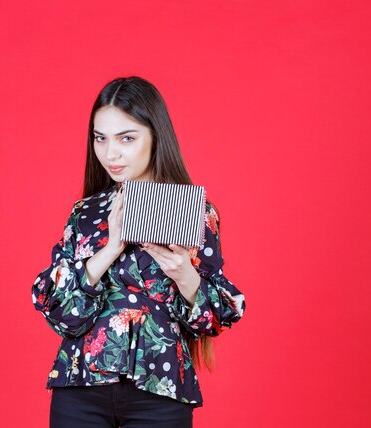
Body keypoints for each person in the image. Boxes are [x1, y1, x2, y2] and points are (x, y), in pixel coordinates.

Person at [31, 76, 246, 428]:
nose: (110, 153)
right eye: (101, 138)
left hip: (160, 392)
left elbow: (218, 318)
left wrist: (184, 275)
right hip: (80, 387)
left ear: (155, 137)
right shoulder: (86, 212)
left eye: (126, 138)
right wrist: (108, 249)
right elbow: (57, 311)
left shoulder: (193, 211)